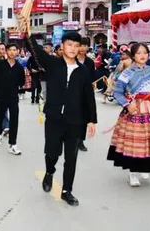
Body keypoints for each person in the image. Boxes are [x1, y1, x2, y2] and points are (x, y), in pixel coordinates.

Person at [19, 17, 97, 207]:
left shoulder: (84, 70)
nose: (72, 48)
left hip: (75, 120)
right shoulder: (52, 63)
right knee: (52, 152)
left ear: (80, 48)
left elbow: (88, 97)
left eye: (76, 45)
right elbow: (34, 49)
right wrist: (26, 31)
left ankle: (66, 190)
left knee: (71, 157)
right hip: (54, 117)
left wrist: (91, 120)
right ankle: (49, 171)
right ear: (62, 46)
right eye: (69, 44)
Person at [108, 43, 150, 187]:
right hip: (133, 109)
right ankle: (132, 173)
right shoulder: (127, 73)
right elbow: (117, 91)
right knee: (135, 141)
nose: (142, 55)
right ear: (133, 55)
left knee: (148, 140)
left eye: (145, 52)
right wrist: (127, 104)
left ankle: (144, 167)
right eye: (139, 53)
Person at [0, 43, 25, 155]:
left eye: (14, 50)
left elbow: (21, 82)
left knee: (14, 120)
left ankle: (13, 144)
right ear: (6, 52)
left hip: (13, 97)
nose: (12, 52)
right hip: (0, 97)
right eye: (10, 50)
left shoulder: (20, 68)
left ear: (17, 51)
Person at [76, 37, 95, 153]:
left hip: (85, 94)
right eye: (81, 45)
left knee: (84, 117)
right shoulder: (71, 60)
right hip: (71, 93)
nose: (83, 48)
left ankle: (80, 141)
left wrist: (92, 84)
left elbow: (92, 76)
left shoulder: (90, 62)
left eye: (85, 45)